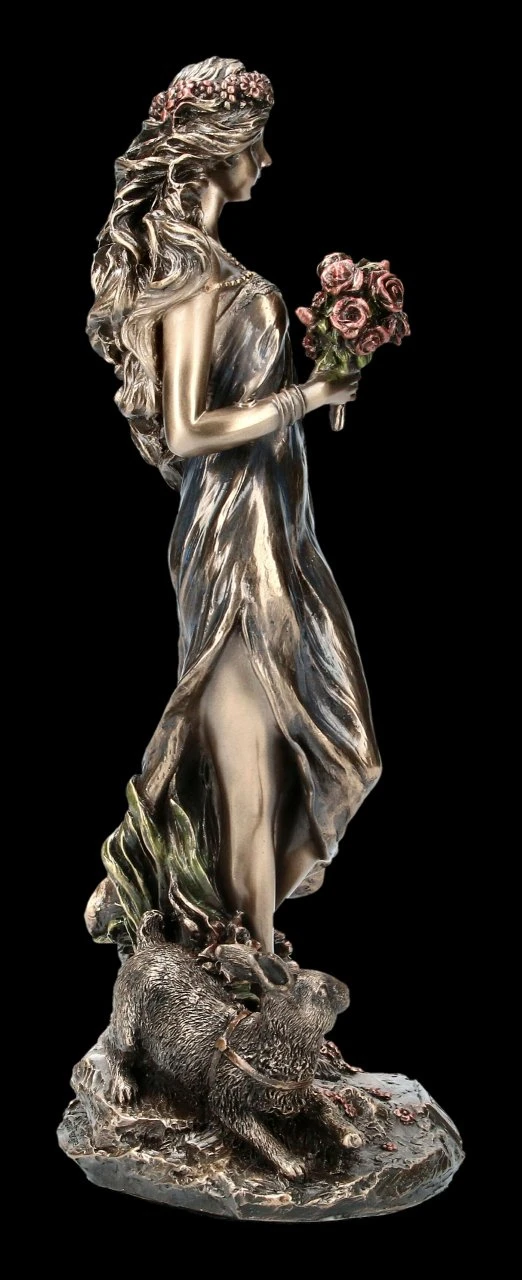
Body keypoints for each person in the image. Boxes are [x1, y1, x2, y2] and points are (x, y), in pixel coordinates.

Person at [85, 57, 382, 956]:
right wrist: (306, 396)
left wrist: (323, 382)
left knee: (351, 752)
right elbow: (187, 430)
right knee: (250, 759)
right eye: (257, 143)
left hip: (281, 525)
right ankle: (243, 950)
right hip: (231, 537)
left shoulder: (221, 268)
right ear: (215, 150)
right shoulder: (190, 278)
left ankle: (221, 927)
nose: (266, 159)